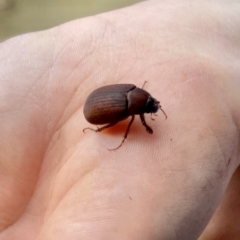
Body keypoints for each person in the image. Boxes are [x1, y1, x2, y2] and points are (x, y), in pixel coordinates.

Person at [0, 0, 239, 239]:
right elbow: (135, 120)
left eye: (150, 103)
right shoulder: (129, 106)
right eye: (149, 105)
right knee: (124, 127)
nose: (152, 106)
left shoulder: (133, 93)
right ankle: (100, 130)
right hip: (97, 109)